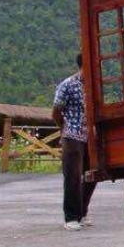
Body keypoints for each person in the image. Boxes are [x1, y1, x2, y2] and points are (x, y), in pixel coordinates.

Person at [54, 54, 95, 230]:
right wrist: (64, 128)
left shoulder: (93, 86)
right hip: (72, 135)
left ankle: (82, 212)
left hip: (89, 136)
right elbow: (56, 110)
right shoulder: (68, 85)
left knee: (92, 175)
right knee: (73, 177)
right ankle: (70, 217)